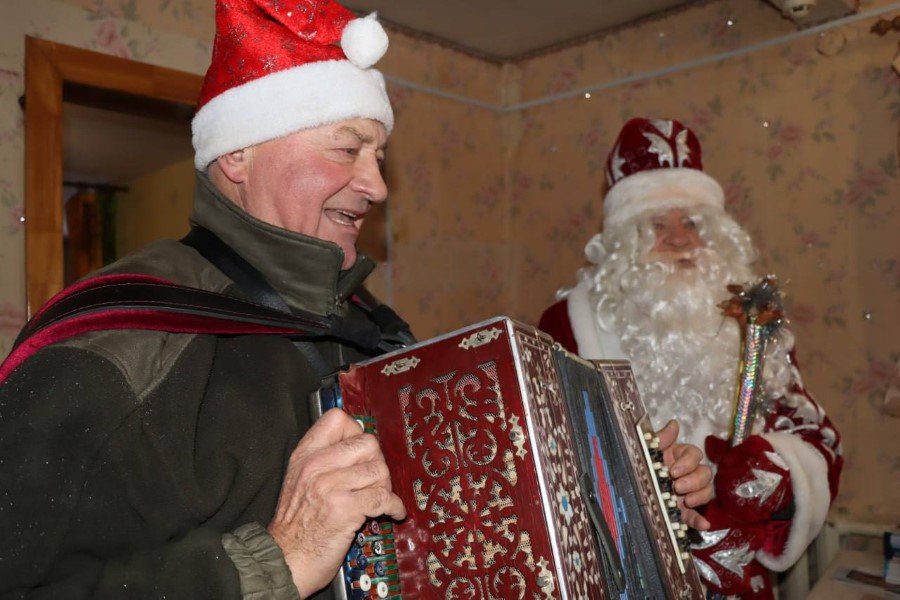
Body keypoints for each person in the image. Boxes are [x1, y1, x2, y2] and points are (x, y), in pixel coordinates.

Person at [0, 4, 712, 596]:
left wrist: (629, 499)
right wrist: (275, 559)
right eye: (347, 149)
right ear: (238, 154)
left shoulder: (372, 326)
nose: (376, 185)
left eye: (378, 155)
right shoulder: (114, 345)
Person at [539, 117, 843, 599]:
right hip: (626, 578)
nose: (680, 239)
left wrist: (764, 472)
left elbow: (815, 438)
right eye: (657, 225)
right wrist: (646, 484)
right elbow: (547, 456)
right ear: (624, 240)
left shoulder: (752, 319)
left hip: (739, 581)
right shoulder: (568, 323)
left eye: (693, 223)